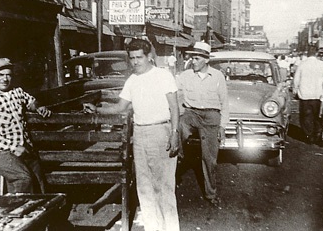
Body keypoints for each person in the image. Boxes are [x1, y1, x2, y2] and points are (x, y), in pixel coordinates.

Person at [84, 39, 180, 231]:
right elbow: (120, 107)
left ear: (149, 57)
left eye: (139, 58)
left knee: (164, 187)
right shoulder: (132, 80)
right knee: (144, 186)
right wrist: (97, 109)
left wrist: (175, 133)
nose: (135, 62)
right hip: (140, 133)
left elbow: (174, 107)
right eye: (132, 58)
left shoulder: (163, 75)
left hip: (160, 131)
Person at [0, 58, 51, 194]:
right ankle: (17, 212)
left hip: (23, 148)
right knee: (22, 178)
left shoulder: (16, 91)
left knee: (40, 182)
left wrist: (37, 107)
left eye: (8, 75)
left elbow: (30, 101)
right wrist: (12, 147)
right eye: (0, 75)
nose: (5, 79)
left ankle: (42, 212)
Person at [176, 41, 229, 208]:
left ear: (206, 60)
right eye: (192, 58)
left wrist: (222, 126)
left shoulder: (218, 76)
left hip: (212, 116)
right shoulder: (185, 76)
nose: (193, 61)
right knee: (177, 132)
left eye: (197, 58)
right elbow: (176, 96)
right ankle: (178, 159)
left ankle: (211, 193)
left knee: (209, 158)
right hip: (191, 113)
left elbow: (225, 103)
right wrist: (178, 113)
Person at [293, 47, 323, 144]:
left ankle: (308, 135)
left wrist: (295, 89)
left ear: (308, 53)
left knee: (306, 116)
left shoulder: (302, 64)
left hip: (304, 94)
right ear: (316, 53)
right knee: (317, 115)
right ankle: (316, 133)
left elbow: (296, 79)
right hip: (318, 94)